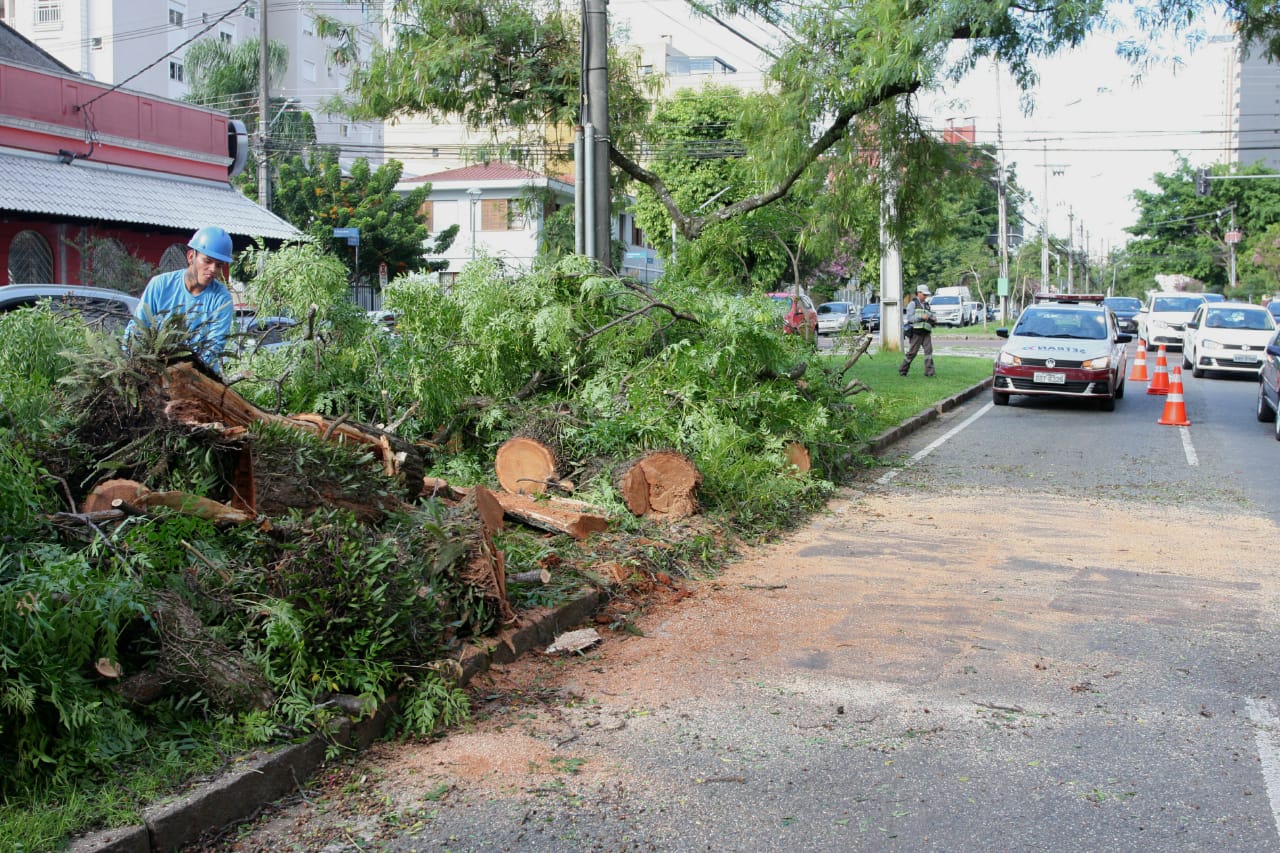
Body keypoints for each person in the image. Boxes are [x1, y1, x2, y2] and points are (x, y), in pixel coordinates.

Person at [126, 226, 236, 372]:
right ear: (191, 256)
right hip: (155, 370)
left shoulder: (222, 299)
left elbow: (214, 346)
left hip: (198, 376)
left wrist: (183, 371)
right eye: (207, 261)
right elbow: (137, 328)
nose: (213, 269)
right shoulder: (160, 285)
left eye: (219, 265)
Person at [899, 284, 937, 377]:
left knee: (928, 352)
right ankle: (903, 369)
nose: (925, 297)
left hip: (926, 332)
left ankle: (929, 372)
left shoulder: (927, 305)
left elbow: (930, 315)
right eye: (924, 295)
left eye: (926, 295)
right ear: (919, 293)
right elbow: (910, 318)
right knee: (912, 353)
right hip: (916, 332)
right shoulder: (912, 304)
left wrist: (933, 318)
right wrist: (921, 317)